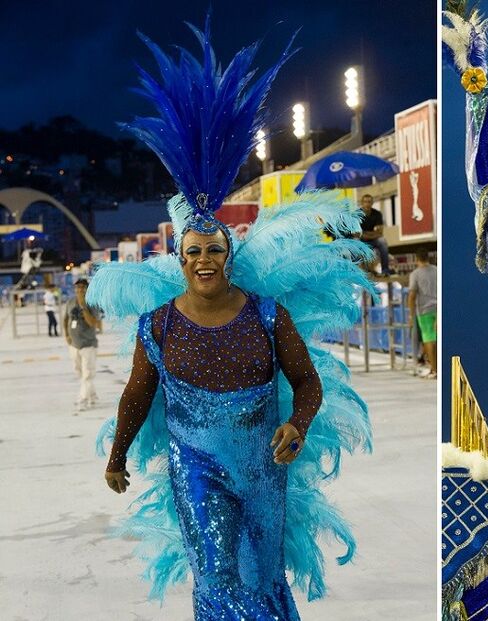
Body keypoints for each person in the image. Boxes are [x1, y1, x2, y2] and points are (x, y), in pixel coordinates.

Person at [91, 21, 372, 619]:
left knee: (260, 572)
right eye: (192, 252)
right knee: (216, 570)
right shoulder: (159, 325)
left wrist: (297, 425)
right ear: (180, 259)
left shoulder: (268, 316)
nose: (203, 261)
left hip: (263, 463)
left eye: (213, 250)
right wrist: (117, 455)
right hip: (193, 460)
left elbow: (308, 382)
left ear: (229, 254)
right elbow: (137, 395)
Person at [63, 278, 101, 410]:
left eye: (82, 288)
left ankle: (83, 399)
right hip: (74, 344)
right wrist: (67, 335)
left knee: (87, 374)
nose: (79, 290)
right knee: (79, 373)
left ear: (87, 289)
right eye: (77, 288)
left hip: (88, 344)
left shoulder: (92, 304)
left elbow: (93, 323)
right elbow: (65, 319)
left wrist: (83, 306)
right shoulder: (70, 302)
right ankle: (92, 394)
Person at [407, 247, 437, 379]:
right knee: (435, 340)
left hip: (424, 311)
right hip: (437, 309)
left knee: (428, 340)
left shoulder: (415, 274)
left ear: (416, 259)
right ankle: (434, 367)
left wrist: (410, 314)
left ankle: (434, 370)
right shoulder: (437, 270)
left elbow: (412, 295)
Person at [359, 194, 393, 275]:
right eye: (365, 202)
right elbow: (357, 234)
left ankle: (385, 271)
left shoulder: (377, 214)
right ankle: (360, 271)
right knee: (355, 241)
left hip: (373, 239)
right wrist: (372, 233)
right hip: (361, 240)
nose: (367, 204)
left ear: (372, 203)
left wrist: (365, 233)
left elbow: (380, 233)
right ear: (362, 203)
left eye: (369, 202)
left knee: (382, 241)